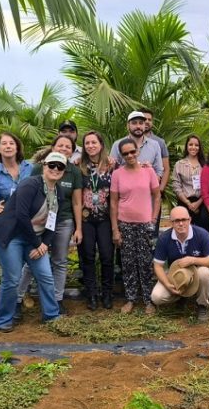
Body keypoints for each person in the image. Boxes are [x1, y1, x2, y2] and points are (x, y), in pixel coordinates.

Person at [0, 152, 66, 332]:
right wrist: (37, 243)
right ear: (44, 166)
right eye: (52, 165)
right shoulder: (30, 184)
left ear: (64, 170)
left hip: (35, 239)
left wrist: (44, 244)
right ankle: (3, 319)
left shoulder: (59, 192)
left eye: (60, 166)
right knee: (12, 278)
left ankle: (52, 315)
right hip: (11, 237)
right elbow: (21, 216)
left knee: (46, 275)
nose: (55, 169)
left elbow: (52, 222)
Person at [19, 134, 82, 315]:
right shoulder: (39, 167)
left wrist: (78, 228)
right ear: (53, 147)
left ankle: (57, 299)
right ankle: (18, 297)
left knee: (60, 260)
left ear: (72, 151)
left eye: (68, 146)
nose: (64, 149)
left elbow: (77, 202)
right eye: (60, 145)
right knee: (34, 258)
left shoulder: (74, 171)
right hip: (40, 222)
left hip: (63, 221)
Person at [111, 138, 161, 315]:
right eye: (125, 153)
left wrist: (153, 220)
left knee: (146, 263)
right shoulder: (117, 174)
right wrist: (115, 229)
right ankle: (131, 299)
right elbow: (114, 202)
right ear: (121, 155)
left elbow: (156, 196)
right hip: (125, 224)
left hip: (145, 224)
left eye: (132, 151)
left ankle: (149, 300)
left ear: (137, 150)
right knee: (128, 263)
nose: (130, 155)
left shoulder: (149, 172)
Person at [150, 206, 209, 322]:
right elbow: (157, 266)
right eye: (176, 221)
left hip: (196, 272)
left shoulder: (201, 234)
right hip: (176, 274)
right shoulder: (164, 238)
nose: (181, 223)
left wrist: (193, 260)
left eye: (184, 220)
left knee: (205, 273)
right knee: (156, 297)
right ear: (171, 223)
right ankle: (180, 296)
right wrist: (167, 284)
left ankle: (202, 305)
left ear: (190, 220)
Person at [77, 131, 116, 310]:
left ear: (101, 144)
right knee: (88, 257)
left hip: (106, 219)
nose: (90, 146)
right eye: (87, 143)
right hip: (86, 220)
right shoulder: (79, 166)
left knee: (107, 256)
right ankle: (91, 294)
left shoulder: (111, 165)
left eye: (94, 142)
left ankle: (107, 293)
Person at [0, 132, 34, 218]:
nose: (8, 146)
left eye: (11, 143)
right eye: (4, 143)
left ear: (17, 148)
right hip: (5, 218)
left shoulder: (30, 168)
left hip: (30, 217)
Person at [110, 111, 163, 178]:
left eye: (141, 123)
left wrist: (150, 172)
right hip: (124, 186)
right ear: (128, 126)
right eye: (134, 123)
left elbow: (159, 171)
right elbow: (112, 170)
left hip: (147, 187)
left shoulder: (154, 145)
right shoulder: (117, 145)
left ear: (144, 125)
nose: (138, 126)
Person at [172, 134, 205, 224]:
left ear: (200, 147)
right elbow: (176, 186)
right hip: (184, 202)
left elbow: (208, 187)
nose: (193, 147)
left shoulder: (205, 165)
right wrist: (188, 203)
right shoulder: (179, 164)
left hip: (202, 204)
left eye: (196, 145)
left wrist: (198, 203)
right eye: (190, 144)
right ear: (186, 146)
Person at [141, 108, 171, 194]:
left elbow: (166, 168)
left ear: (152, 122)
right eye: (144, 119)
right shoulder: (129, 142)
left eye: (149, 119)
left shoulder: (160, 142)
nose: (147, 121)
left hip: (153, 191)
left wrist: (161, 189)